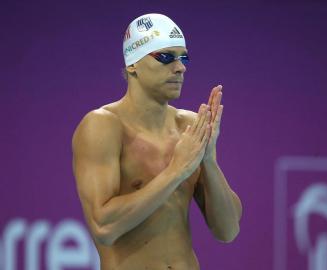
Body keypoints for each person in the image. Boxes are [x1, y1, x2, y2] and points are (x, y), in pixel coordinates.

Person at [71, 13, 242, 270]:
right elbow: (103, 226)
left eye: (183, 57)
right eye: (165, 57)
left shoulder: (188, 127)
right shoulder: (103, 126)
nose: (180, 67)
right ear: (132, 65)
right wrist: (176, 171)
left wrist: (208, 160)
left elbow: (228, 231)